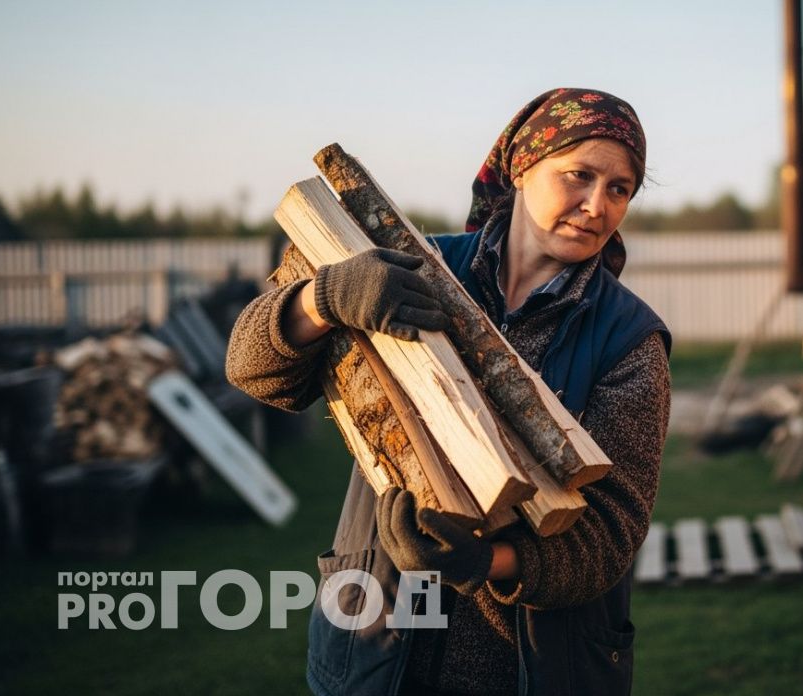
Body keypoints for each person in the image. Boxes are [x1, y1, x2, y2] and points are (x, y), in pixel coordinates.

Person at [225, 87, 671, 695]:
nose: (597, 205)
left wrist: (484, 561)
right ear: (521, 167)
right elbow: (251, 367)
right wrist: (322, 300)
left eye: (619, 189)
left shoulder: (629, 338)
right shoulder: (405, 265)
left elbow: (612, 533)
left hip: (525, 668)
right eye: (579, 175)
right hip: (375, 644)